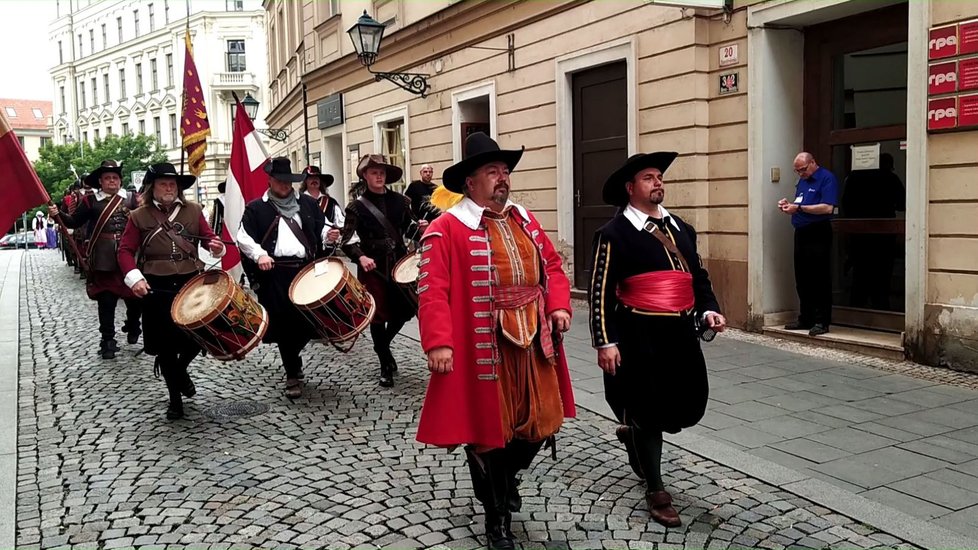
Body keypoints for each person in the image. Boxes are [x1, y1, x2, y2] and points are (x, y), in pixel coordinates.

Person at [415, 133, 576, 550]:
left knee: (542, 424)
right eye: (493, 172)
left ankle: (504, 482)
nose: (503, 179)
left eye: (505, 171)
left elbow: (553, 267)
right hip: (482, 347)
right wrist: (438, 343)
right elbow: (432, 289)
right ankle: (497, 517)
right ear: (471, 182)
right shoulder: (446, 228)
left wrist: (559, 304)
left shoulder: (523, 218)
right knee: (491, 434)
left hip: (535, 341)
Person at [589, 151, 726, 528]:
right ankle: (656, 488)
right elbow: (600, 292)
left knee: (689, 404)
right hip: (638, 336)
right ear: (630, 188)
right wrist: (605, 341)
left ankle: (633, 435)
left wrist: (707, 309)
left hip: (681, 334)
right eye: (649, 178)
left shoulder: (682, 229)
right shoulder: (613, 234)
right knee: (647, 411)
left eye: (659, 177)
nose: (658, 182)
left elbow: (698, 278)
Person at [117, 163, 225, 420]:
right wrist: (135, 279)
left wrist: (216, 246)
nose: (169, 187)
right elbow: (124, 251)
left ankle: (179, 370)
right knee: (165, 346)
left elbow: (211, 240)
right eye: (163, 183)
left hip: (190, 282)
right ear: (152, 187)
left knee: (197, 338)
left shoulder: (194, 210)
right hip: (156, 285)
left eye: (173, 184)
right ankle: (175, 399)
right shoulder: (138, 216)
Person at [237, 157, 335, 398]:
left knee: (309, 321)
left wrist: (329, 236)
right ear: (270, 180)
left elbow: (321, 227)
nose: (284, 185)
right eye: (279, 181)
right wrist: (259, 254)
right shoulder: (255, 208)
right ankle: (292, 372)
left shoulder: (308, 204)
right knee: (284, 324)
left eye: (287, 181)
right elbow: (243, 237)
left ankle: (293, 356)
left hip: (304, 270)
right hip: (275, 273)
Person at [341, 154, 427, 387]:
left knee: (404, 311)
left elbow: (411, 229)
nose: (379, 176)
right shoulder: (356, 207)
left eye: (382, 172)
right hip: (373, 268)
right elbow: (346, 240)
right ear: (365, 176)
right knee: (378, 316)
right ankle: (384, 364)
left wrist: (424, 232)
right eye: (374, 172)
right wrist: (361, 257)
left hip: (399, 264)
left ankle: (384, 347)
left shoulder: (401, 201)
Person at [49, 160, 142, 358]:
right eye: (107, 178)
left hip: (130, 256)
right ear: (100, 181)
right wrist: (59, 215)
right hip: (103, 258)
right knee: (106, 301)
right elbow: (75, 221)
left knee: (135, 299)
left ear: (120, 180)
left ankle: (134, 324)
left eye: (115, 178)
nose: (112, 181)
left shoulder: (132, 198)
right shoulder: (91, 201)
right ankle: (107, 340)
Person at [779, 152, 838, 336]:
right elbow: (800, 202)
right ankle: (806, 317)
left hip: (818, 231)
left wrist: (800, 208)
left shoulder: (826, 178)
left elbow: (827, 207)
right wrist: (789, 205)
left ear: (813, 162)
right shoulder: (803, 181)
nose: (800, 174)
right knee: (802, 277)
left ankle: (822, 321)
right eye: (797, 171)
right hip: (801, 232)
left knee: (819, 277)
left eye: (803, 170)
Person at [300, 165, 344, 243]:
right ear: (305, 181)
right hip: (306, 247)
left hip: (327, 249)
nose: (314, 180)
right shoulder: (299, 201)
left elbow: (341, 225)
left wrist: (334, 234)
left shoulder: (331, 202)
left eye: (317, 178)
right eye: (310, 178)